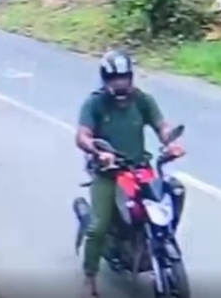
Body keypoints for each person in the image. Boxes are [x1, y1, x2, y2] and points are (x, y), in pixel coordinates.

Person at [75, 50, 184, 297]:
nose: (120, 83)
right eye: (115, 79)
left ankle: (153, 245)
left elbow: (161, 126)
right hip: (108, 173)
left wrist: (170, 142)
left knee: (169, 200)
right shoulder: (95, 103)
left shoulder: (142, 100)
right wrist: (97, 151)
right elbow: (82, 135)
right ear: (106, 80)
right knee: (98, 227)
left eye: (124, 77)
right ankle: (89, 277)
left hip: (139, 169)